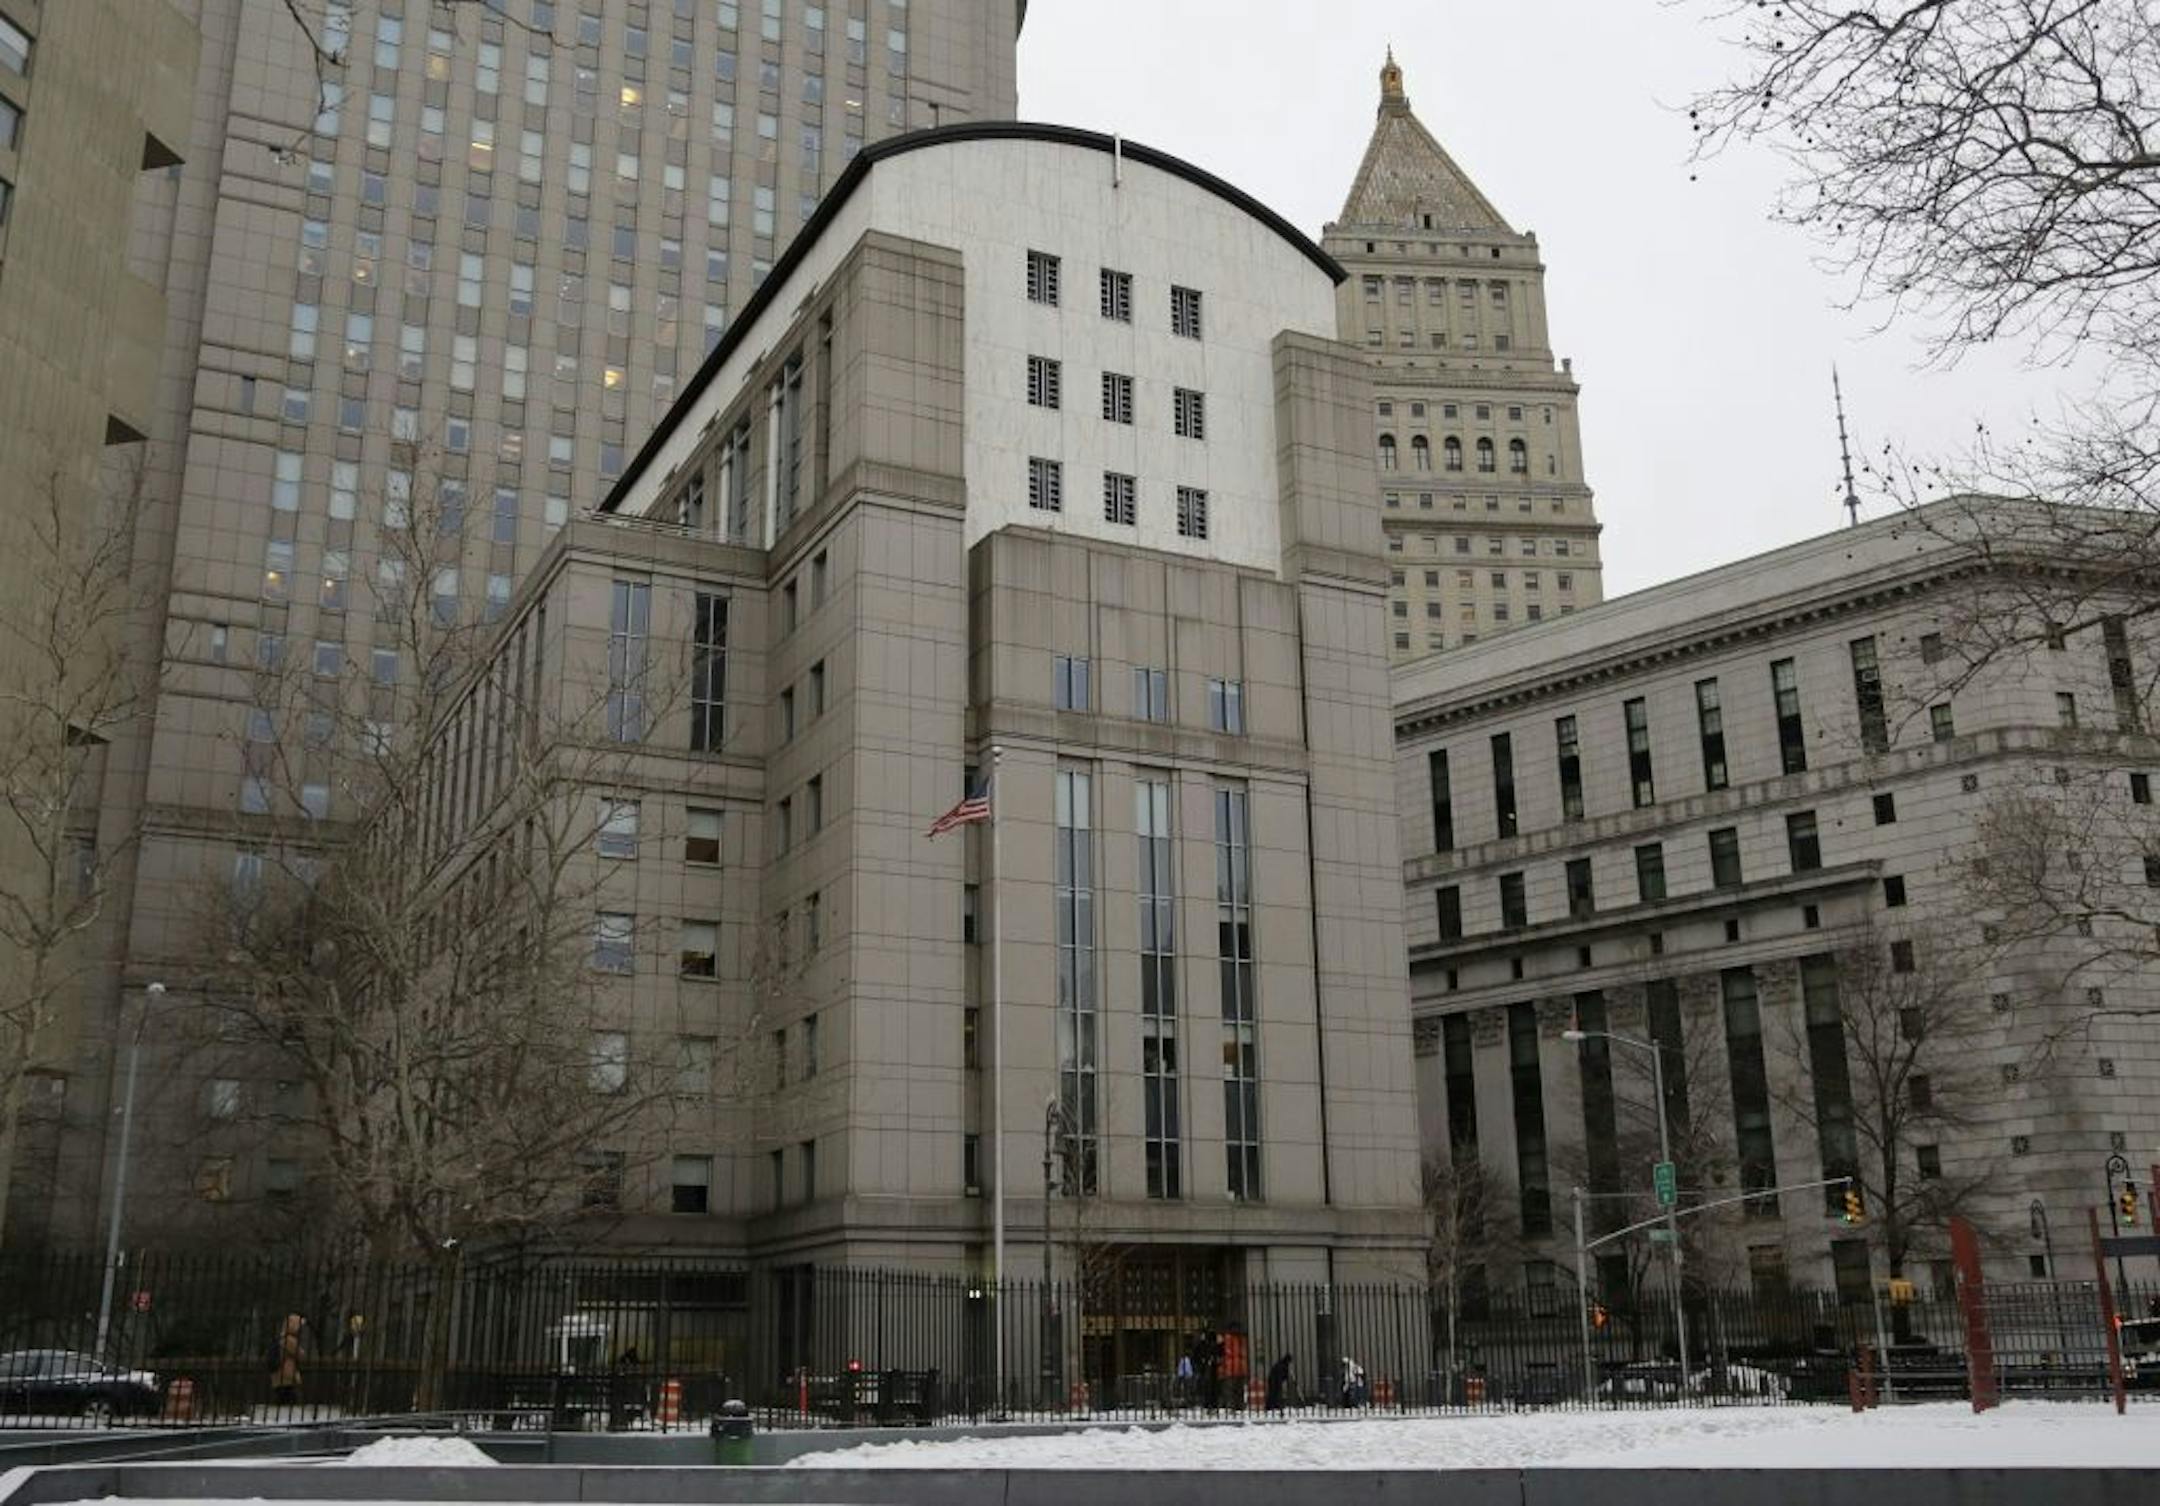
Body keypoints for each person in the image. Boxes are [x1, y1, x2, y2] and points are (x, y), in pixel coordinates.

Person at [269, 1314, 306, 1408]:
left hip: (279, 1377)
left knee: (282, 1401)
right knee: (290, 1404)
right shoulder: (289, 1340)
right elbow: (301, 1354)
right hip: (287, 1376)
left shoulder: (281, 1338)